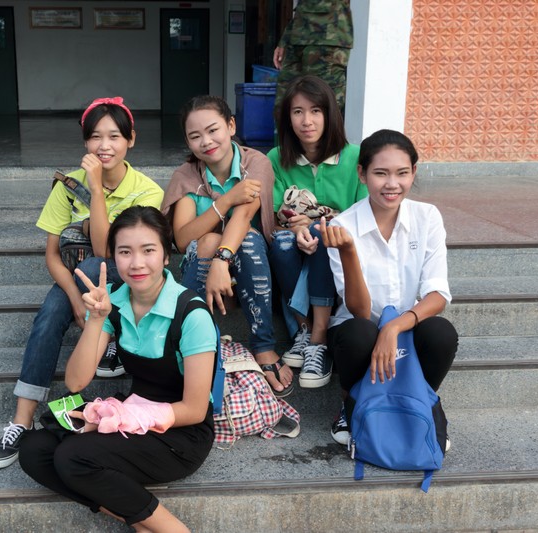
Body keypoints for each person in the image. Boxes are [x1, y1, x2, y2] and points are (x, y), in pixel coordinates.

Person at [0, 97, 164, 469]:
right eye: (95, 136)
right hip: (81, 284)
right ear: (85, 141)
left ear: (131, 139)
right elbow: (52, 254)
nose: (104, 145)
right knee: (51, 313)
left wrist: (96, 190)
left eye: (114, 136)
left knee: (98, 262)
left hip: (126, 281)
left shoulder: (147, 191)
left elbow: (104, 250)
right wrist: (73, 298)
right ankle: (22, 420)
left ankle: (112, 335)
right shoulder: (67, 184)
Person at [19, 206, 217, 532]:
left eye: (148, 250)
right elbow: (76, 381)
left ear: (166, 256)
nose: (136, 263)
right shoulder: (113, 301)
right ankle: (135, 519)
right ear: (114, 257)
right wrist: (96, 320)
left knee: (72, 456)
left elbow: (195, 409)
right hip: (132, 413)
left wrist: (123, 418)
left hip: (180, 433)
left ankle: (172, 529)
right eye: (125, 252)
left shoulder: (190, 314)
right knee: (34, 449)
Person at [321, 129, 458, 446]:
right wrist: (349, 251)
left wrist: (394, 327)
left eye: (402, 173)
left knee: (441, 333)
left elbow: (438, 294)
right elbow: (359, 310)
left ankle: (421, 400)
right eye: (380, 173)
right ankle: (351, 403)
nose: (392, 184)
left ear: (414, 172)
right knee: (358, 332)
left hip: (406, 324)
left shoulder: (427, 217)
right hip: (360, 328)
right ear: (362, 174)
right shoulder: (344, 226)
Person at [161, 95, 294, 398]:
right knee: (207, 239)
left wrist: (222, 260)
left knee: (243, 237)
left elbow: (244, 217)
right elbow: (182, 239)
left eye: (213, 130)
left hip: (251, 265)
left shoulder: (255, 163)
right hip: (201, 266)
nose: (206, 141)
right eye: (195, 136)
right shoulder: (186, 176)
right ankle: (192, 339)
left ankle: (263, 345)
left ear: (231, 126)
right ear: (187, 141)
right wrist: (226, 201)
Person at [267, 75, 366, 389]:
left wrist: (314, 227)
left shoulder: (355, 158)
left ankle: (318, 336)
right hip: (294, 249)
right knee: (283, 242)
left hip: (341, 250)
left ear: (330, 114)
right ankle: (305, 328)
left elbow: (365, 216)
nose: (306, 121)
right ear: (288, 118)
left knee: (324, 233)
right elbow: (273, 216)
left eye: (315, 111)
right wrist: (294, 227)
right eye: (297, 112)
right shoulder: (276, 159)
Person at [272, 0, 353, 119]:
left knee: (322, 106)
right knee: (284, 104)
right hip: (298, 34)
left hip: (328, 35)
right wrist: (285, 39)